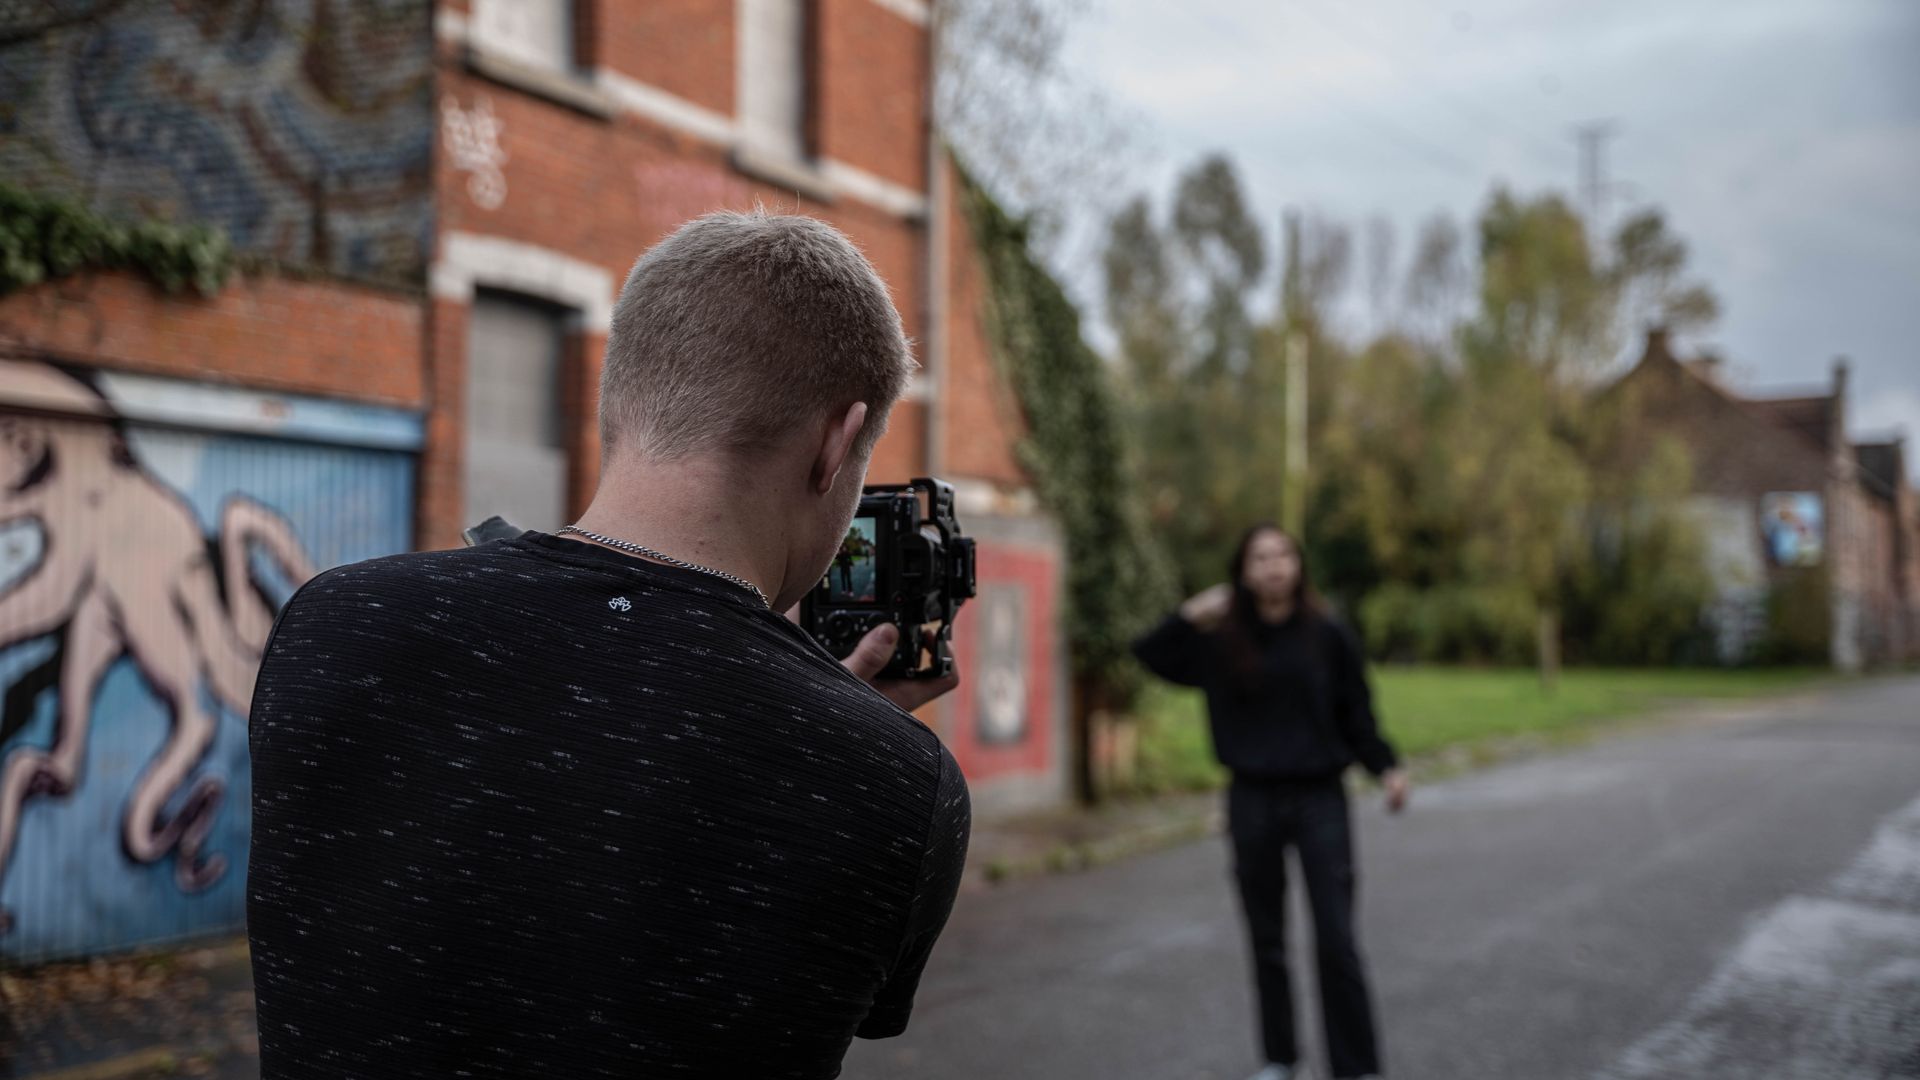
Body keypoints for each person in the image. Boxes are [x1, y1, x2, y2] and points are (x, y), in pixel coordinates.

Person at [247, 212, 969, 1079]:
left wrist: (824, 714)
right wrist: (844, 733)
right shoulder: (897, 786)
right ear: (836, 444)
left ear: (619, 399)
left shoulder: (333, 625)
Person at [1132, 524, 1408, 1080]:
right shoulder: (1220, 641)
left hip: (1319, 797)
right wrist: (1192, 612)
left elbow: (1357, 709)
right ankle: (1280, 1060)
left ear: (1298, 566)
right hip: (1251, 798)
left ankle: (1356, 1068)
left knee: (1335, 937)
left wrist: (1386, 766)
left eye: (1282, 555)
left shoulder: (1328, 635)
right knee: (1267, 939)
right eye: (1260, 557)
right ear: (1243, 572)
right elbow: (1150, 654)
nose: (1273, 566)